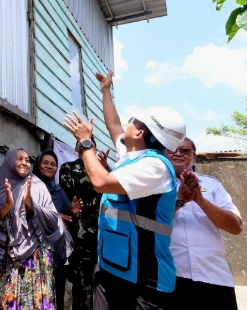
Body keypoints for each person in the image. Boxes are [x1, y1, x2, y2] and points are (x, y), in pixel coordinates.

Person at [63, 70, 186, 310]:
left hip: (143, 280)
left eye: (133, 122)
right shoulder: (131, 156)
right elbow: (113, 123)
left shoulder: (155, 166)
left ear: (140, 133)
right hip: (111, 266)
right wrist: (106, 90)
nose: (126, 124)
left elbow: (100, 182)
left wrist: (86, 143)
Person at [0, 147, 73, 310]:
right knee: (11, 302)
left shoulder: (38, 185)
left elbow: (53, 219)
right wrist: (7, 206)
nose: (25, 162)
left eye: (27, 160)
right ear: (10, 161)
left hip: (38, 256)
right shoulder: (1, 188)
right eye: (20, 159)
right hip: (12, 257)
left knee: (38, 302)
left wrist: (31, 204)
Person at [166, 138, 242, 310]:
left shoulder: (212, 184)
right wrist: (180, 200)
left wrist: (200, 200)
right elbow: (149, 220)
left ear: (194, 156)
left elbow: (235, 227)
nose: (178, 153)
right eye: (172, 149)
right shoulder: (156, 185)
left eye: (185, 150)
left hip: (215, 278)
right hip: (171, 279)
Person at [58, 136, 111, 310]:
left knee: (104, 287)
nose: (85, 147)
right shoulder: (68, 168)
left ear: (95, 149)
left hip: (104, 236)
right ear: (76, 148)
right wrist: (93, 172)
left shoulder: (104, 170)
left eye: (89, 144)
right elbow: (69, 188)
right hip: (80, 237)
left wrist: (105, 170)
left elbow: (113, 189)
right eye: (82, 144)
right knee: (81, 287)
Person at [33, 150, 83, 310]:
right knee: (37, 295)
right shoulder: (30, 187)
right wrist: (54, 217)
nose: (49, 166)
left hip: (57, 255)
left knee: (57, 294)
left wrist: (73, 214)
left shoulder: (58, 191)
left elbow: (70, 224)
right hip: (34, 251)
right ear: (38, 164)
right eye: (45, 163)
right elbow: (26, 216)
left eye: (53, 164)